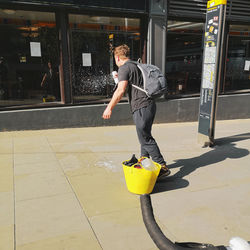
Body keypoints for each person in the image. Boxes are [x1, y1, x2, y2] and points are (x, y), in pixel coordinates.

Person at [102, 44, 170, 180]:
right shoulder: (135, 65)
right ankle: (144, 160)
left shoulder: (124, 68)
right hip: (149, 105)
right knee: (144, 135)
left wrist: (109, 107)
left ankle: (162, 166)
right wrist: (118, 78)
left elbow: (120, 90)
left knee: (145, 138)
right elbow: (131, 85)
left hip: (141, 106)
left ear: (117, 57)